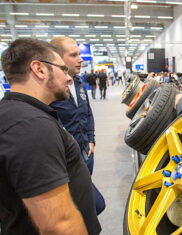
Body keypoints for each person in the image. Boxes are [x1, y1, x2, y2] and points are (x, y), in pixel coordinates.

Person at [0, 38, 101, 235]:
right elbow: (59, 225)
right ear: (39, 69)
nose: (69, 78)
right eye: (63, 70)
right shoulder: (31, 127)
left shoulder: (25, 114)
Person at [50, 36, 105, 215]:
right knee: (93, 206)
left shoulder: (79, 82)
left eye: (80, 54)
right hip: (67, 160)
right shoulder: (50, 89)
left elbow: (87, 113)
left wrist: (91, 139)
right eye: (73, 55)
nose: (80, 59)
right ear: (57, 58)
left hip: (86, 151)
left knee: (83, 204)